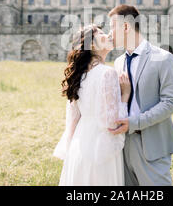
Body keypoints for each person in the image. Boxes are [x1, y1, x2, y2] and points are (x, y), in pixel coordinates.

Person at [108, 4, 173, 186]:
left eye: (112, 27)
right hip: (122, 145)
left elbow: (171, 102)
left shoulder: (163, 58)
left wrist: (135, 123)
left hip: (150, 143)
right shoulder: (118, 62)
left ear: (125, 27)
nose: (109, 34)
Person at [53, 24, 131, 185]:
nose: (109, 35)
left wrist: (69, 148)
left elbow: (73, 119)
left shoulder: (78, 76)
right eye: (101, 33)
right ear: (93, 44)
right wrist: (125, 95)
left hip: (79, 143)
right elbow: (112, 122)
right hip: (100, 146)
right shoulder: (107, 73)